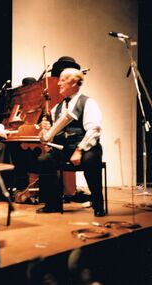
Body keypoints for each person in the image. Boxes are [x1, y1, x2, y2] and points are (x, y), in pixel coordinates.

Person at [37, 68, 105, 217]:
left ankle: (98, 204)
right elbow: (48, 137)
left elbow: (94, 129)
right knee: (44, 160)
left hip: (86, 148)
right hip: (65, 149)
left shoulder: (88, 103)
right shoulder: (56, 108)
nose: (58, 83)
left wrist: (80, 150)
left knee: (90, 159)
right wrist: (47, 130)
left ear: (74, 82)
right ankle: (52, 203)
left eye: (62, 80)